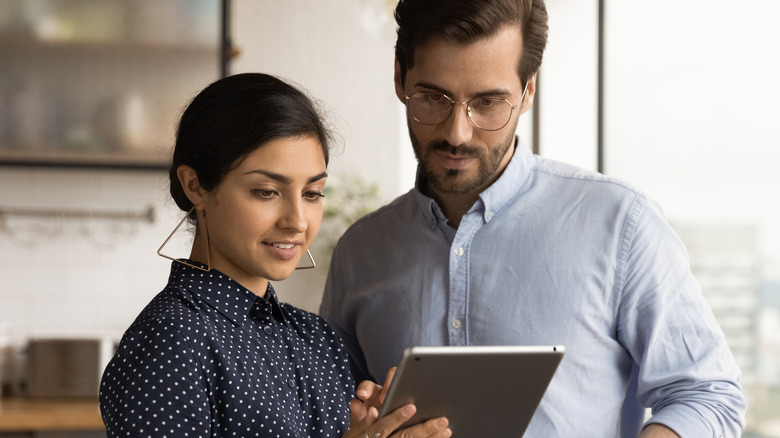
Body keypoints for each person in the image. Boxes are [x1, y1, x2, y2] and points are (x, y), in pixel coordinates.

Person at [319, 1, 747, 437]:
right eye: (433, 98)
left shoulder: (621, 223)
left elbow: (708, 394)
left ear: (527, 92)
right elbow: (328, 415)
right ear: (399, 79)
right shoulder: (360, 251)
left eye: (488, 103)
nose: (457, 133)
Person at [99, 73, 451, 438]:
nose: (297, 221)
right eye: (267, 191)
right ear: (196, 186)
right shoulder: (172, 339)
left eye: (312, 193)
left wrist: (378, 427)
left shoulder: (317, 338)